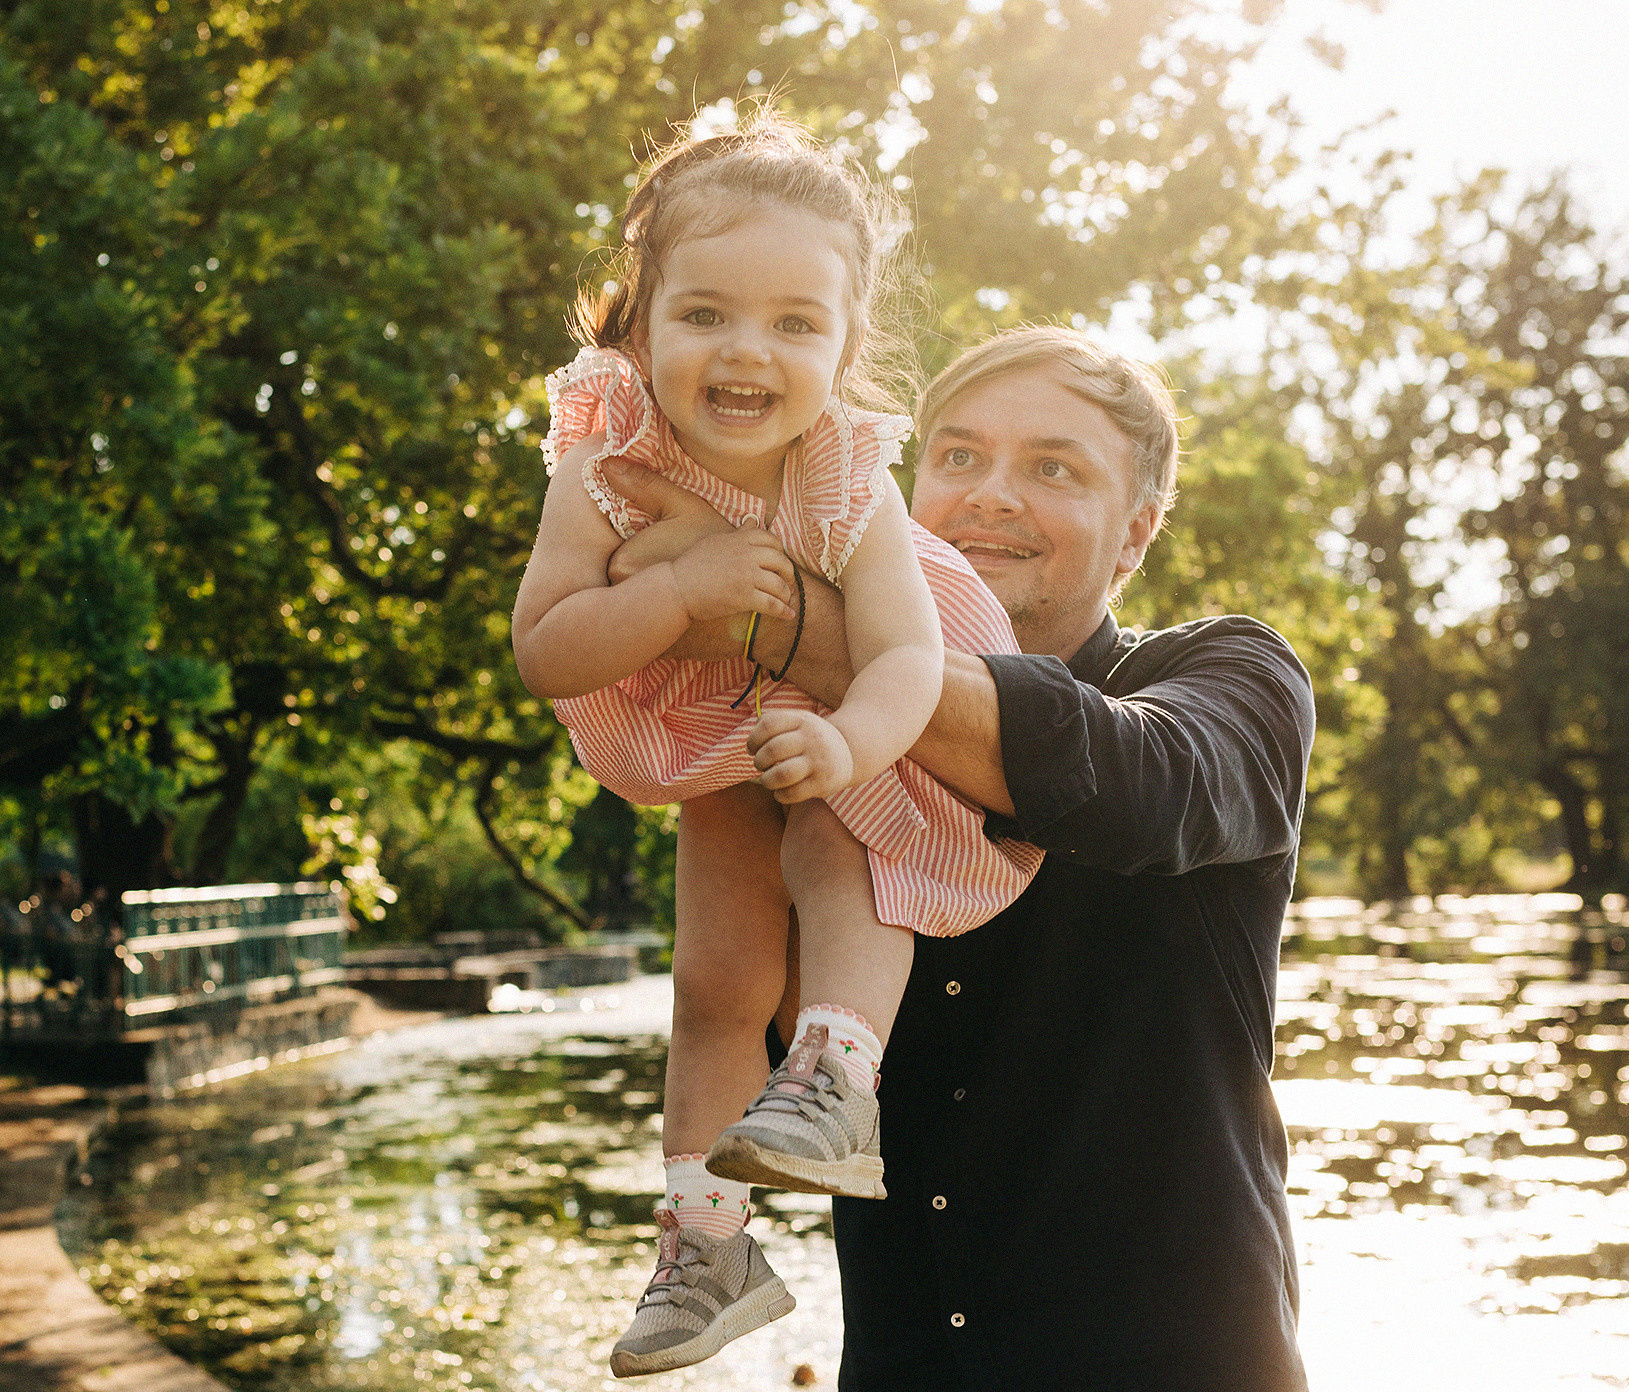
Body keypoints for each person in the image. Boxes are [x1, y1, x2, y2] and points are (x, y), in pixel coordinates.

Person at [604, 325, 1315, 1390]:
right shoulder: (790, 732)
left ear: (1134, 534)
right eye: (956, 457)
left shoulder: (1228, 677)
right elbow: (751, 1018)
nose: (988, 494)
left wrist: (786, 623)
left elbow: (1133, 784)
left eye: (1052, 468)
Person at [510, 116, 1038, 1378]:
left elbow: (908, 657)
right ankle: (706, 1249)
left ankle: (834, 1075)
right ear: (638, 330)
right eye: (706, 315)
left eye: (797, 324)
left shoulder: (850, 475)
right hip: (712, 724)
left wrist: (851, 749)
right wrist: (681, 593)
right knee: (710, 986)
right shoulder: (600, 459)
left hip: (864, 717)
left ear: (847, 346)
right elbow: (548, 647)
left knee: (829, 848)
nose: (749, 352)